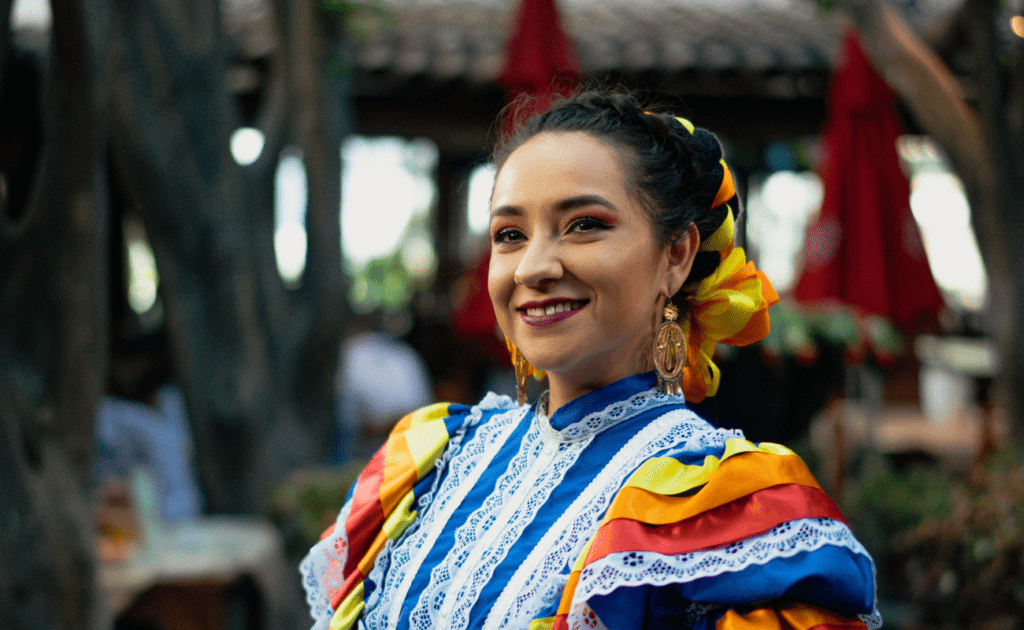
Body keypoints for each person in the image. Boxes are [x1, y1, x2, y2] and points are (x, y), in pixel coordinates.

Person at [301, 91, 880, 630]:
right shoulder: (429, 458)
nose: (533, 267)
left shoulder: (734, 507)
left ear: (675, 256)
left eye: (584, 226)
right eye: (509, 234)